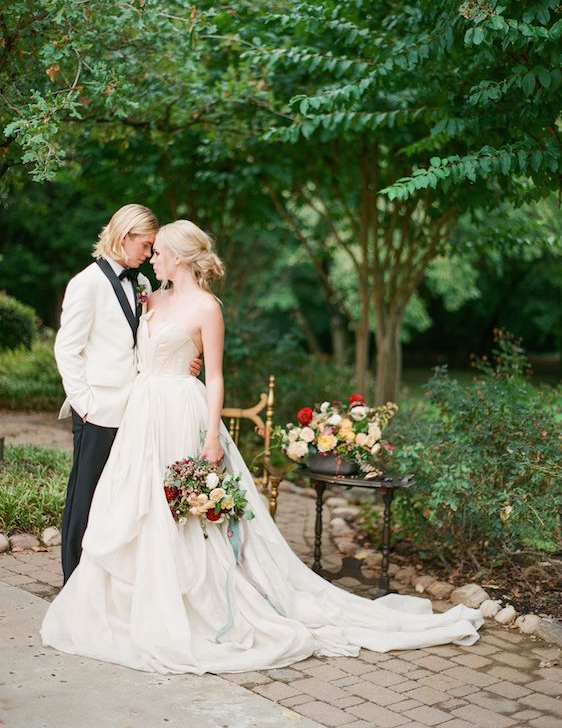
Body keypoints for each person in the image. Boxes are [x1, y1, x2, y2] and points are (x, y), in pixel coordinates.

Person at [42, 219, 483, 675]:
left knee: (181, 513)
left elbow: (215, 376)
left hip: (182, 414)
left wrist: (211, 436)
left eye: (159, 252)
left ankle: (197, 601)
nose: (153, 257)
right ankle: (125, 597)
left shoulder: (207, 308)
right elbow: (126, 348)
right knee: (134, 506)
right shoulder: (151, 298)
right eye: (149, 251)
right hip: (142, 414)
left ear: (177, 256)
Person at [54, 205, 201, 583]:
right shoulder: (85, 283)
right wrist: (85, 405)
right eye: (147, 244)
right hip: (98, 410)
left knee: (117, 501)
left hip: (139, 409)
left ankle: (107, 580)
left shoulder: (143, 285)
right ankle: (72, 578)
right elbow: (66, 350)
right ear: (124, 236)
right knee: (84, 496)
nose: (150, 254)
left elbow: (149, 340)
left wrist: (182, 360)